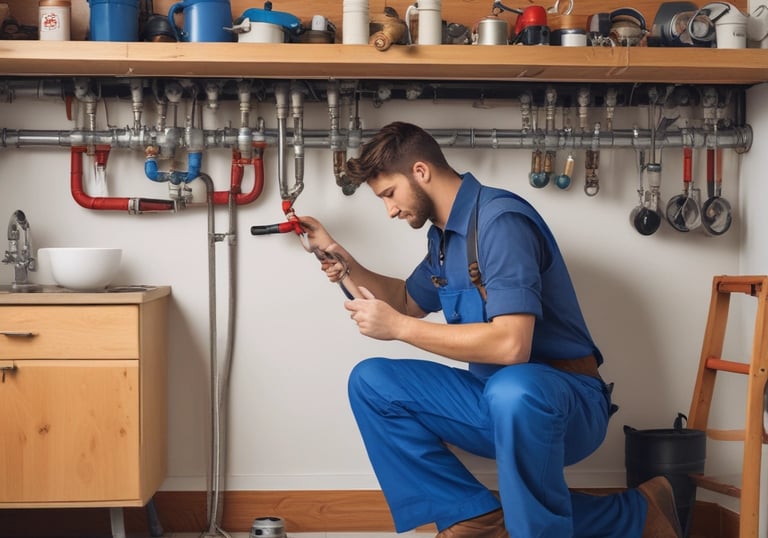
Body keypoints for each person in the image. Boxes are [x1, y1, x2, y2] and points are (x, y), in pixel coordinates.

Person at [300, 122, 682, 538]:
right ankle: (474, 516)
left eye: (390, 194)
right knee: (372, 382)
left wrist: (399, 329)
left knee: (512, 388)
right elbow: (407, 301)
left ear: (421, 172)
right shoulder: (444, 239)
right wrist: (342, 258)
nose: (390, 210)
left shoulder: (501, 223)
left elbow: (512, 345)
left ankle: (600, 521)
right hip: (493, 398)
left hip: (565, 404)